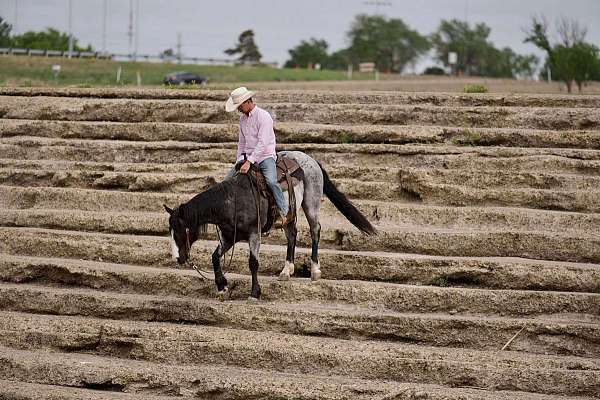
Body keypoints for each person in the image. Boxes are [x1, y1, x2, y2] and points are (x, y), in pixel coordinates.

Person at [224, 86, 291, 227]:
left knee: (271, 182)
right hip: (247, 156)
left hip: (265, 156)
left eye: (239, 106)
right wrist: (239, 160)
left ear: (247, 102)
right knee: (227, 182)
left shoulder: (264, 116)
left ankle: (283, 212)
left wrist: (249, 161)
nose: (238, 110)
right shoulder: (243, 120)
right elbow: (242, 143)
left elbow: (263, 143)